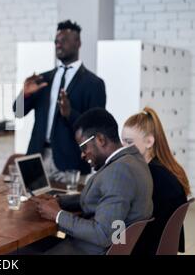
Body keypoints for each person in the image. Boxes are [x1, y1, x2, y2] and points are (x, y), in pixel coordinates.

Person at [30, 108, 153, 255]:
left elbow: (103, 234)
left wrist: (57, 215)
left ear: (100, 140)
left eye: (83, 147)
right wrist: (58, 201)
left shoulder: (118, 172)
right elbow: (101, 196)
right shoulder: (133, 159)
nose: (82, 155)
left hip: (91, 250)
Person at [13, 20, 106, 181]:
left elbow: (95, 129)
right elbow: (18, 112)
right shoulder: (43, 79)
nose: (58, 45)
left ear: (78, 43)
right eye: (56, 41)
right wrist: (25, 94)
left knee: (67, 206)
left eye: (64, 40)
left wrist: (70, 114)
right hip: (36, 158)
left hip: (71, 163)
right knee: (29, 206)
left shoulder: (93, 84)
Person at [121, 107, 190, 255]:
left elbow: (128, 224)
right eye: (123, 142)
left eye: (129, 142)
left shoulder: (151, 177)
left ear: (149, 142)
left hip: (145, 247)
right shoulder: (166, 169)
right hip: (161, 247)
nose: (123, 148)